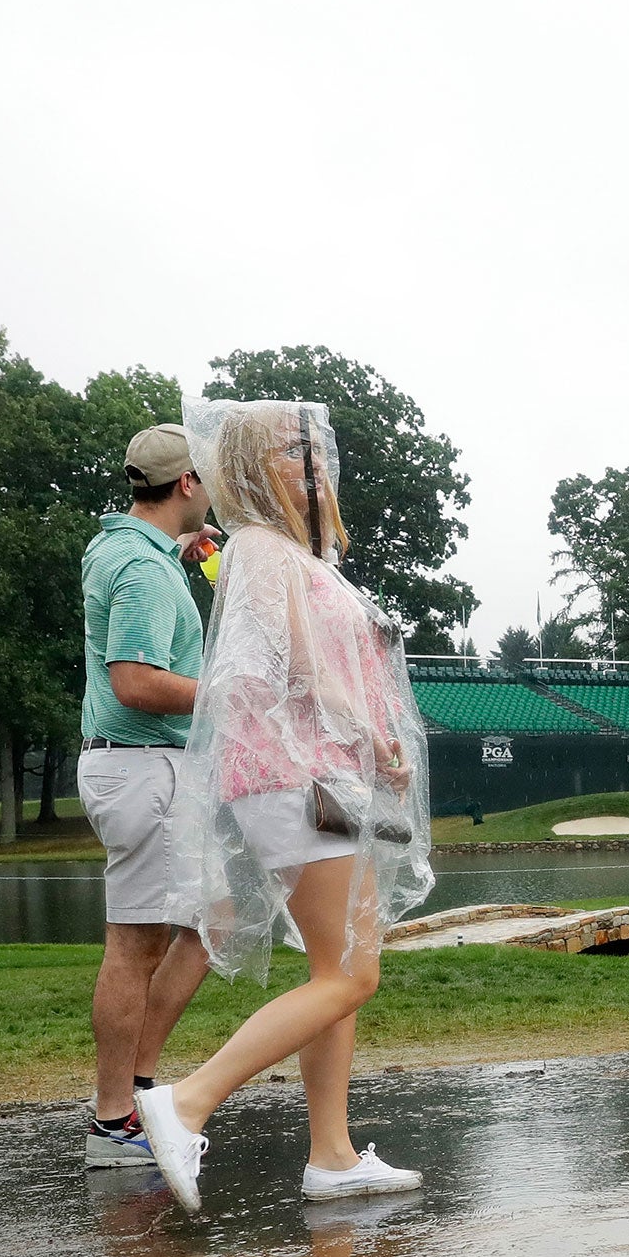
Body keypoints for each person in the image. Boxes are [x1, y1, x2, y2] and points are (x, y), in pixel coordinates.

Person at [135, 399, 435, 1214]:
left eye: (312, 452)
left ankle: (332, 1154)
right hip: (295, 775)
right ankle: (186, 1101)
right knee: (349, 975)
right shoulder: (262, 549)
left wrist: (372, 743)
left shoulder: (293, 554)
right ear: (254, 464)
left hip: (321, 779)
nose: (313, 467)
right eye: (294, 453)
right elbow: (298, 661)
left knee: (338, 967)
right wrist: (373, 735)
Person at [77, 426, 222, 1167]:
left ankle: (137, 1093)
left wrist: (183, 555)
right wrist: (231, 695)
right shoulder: (139, 567)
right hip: (143, 768)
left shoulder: (138, 552)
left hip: (152, 770)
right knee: (135, 947)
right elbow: (135, 681)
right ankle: (114, 1122)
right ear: (187, 484)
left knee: (211, 923)